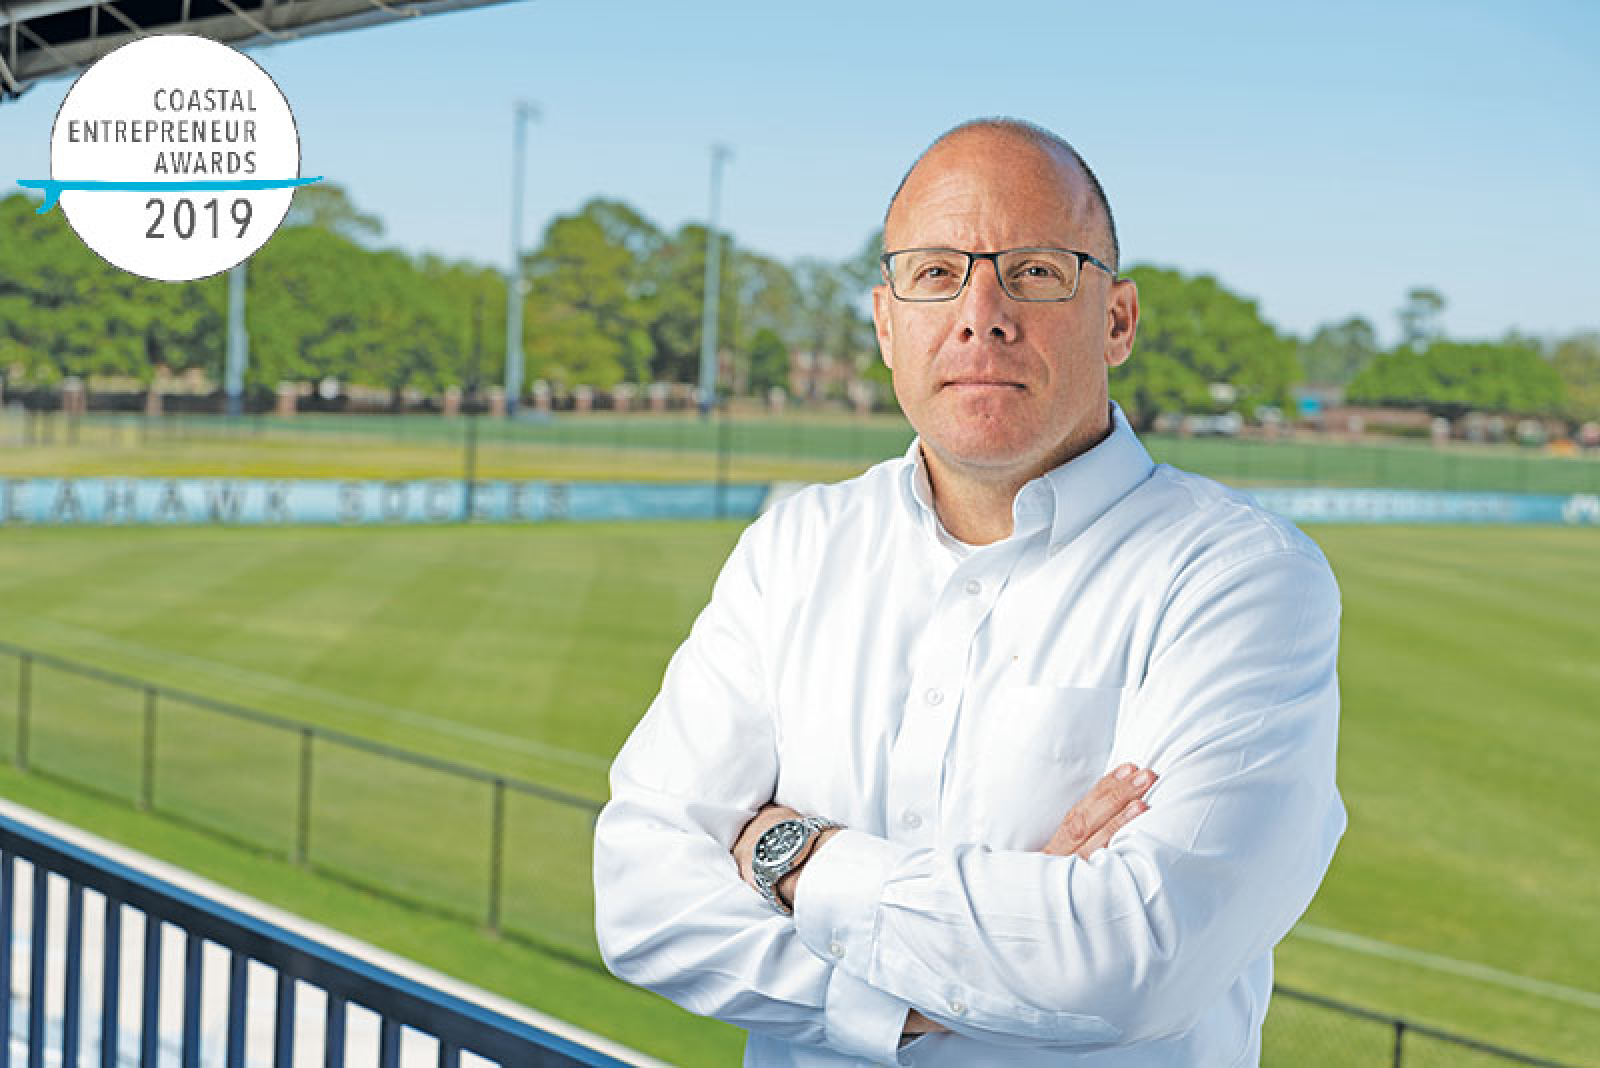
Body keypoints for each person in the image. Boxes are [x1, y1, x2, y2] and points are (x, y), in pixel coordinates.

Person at [593, 117, 1344, 1067]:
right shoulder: (796, 546)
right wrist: (958, 970)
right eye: (937, 273)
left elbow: (1139, 958)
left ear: (1116, 320)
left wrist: (795, 859)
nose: (980, 312)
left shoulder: (1240, 576)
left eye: (1034, 271)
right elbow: (639, 901)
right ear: (885, 321)